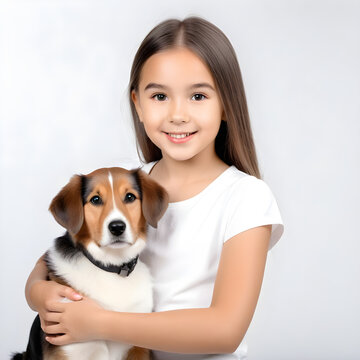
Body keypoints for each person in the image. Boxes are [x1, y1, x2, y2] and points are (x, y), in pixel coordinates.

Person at [25, 16, 284, 359]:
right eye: (160, 95)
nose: (178, 114)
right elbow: (51, 263)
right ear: (138, 104)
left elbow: (225, 331)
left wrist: (100, 322)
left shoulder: (246, 197)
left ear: (226, 105)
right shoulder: (127, 187)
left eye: (198, 96)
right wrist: (39, 294)